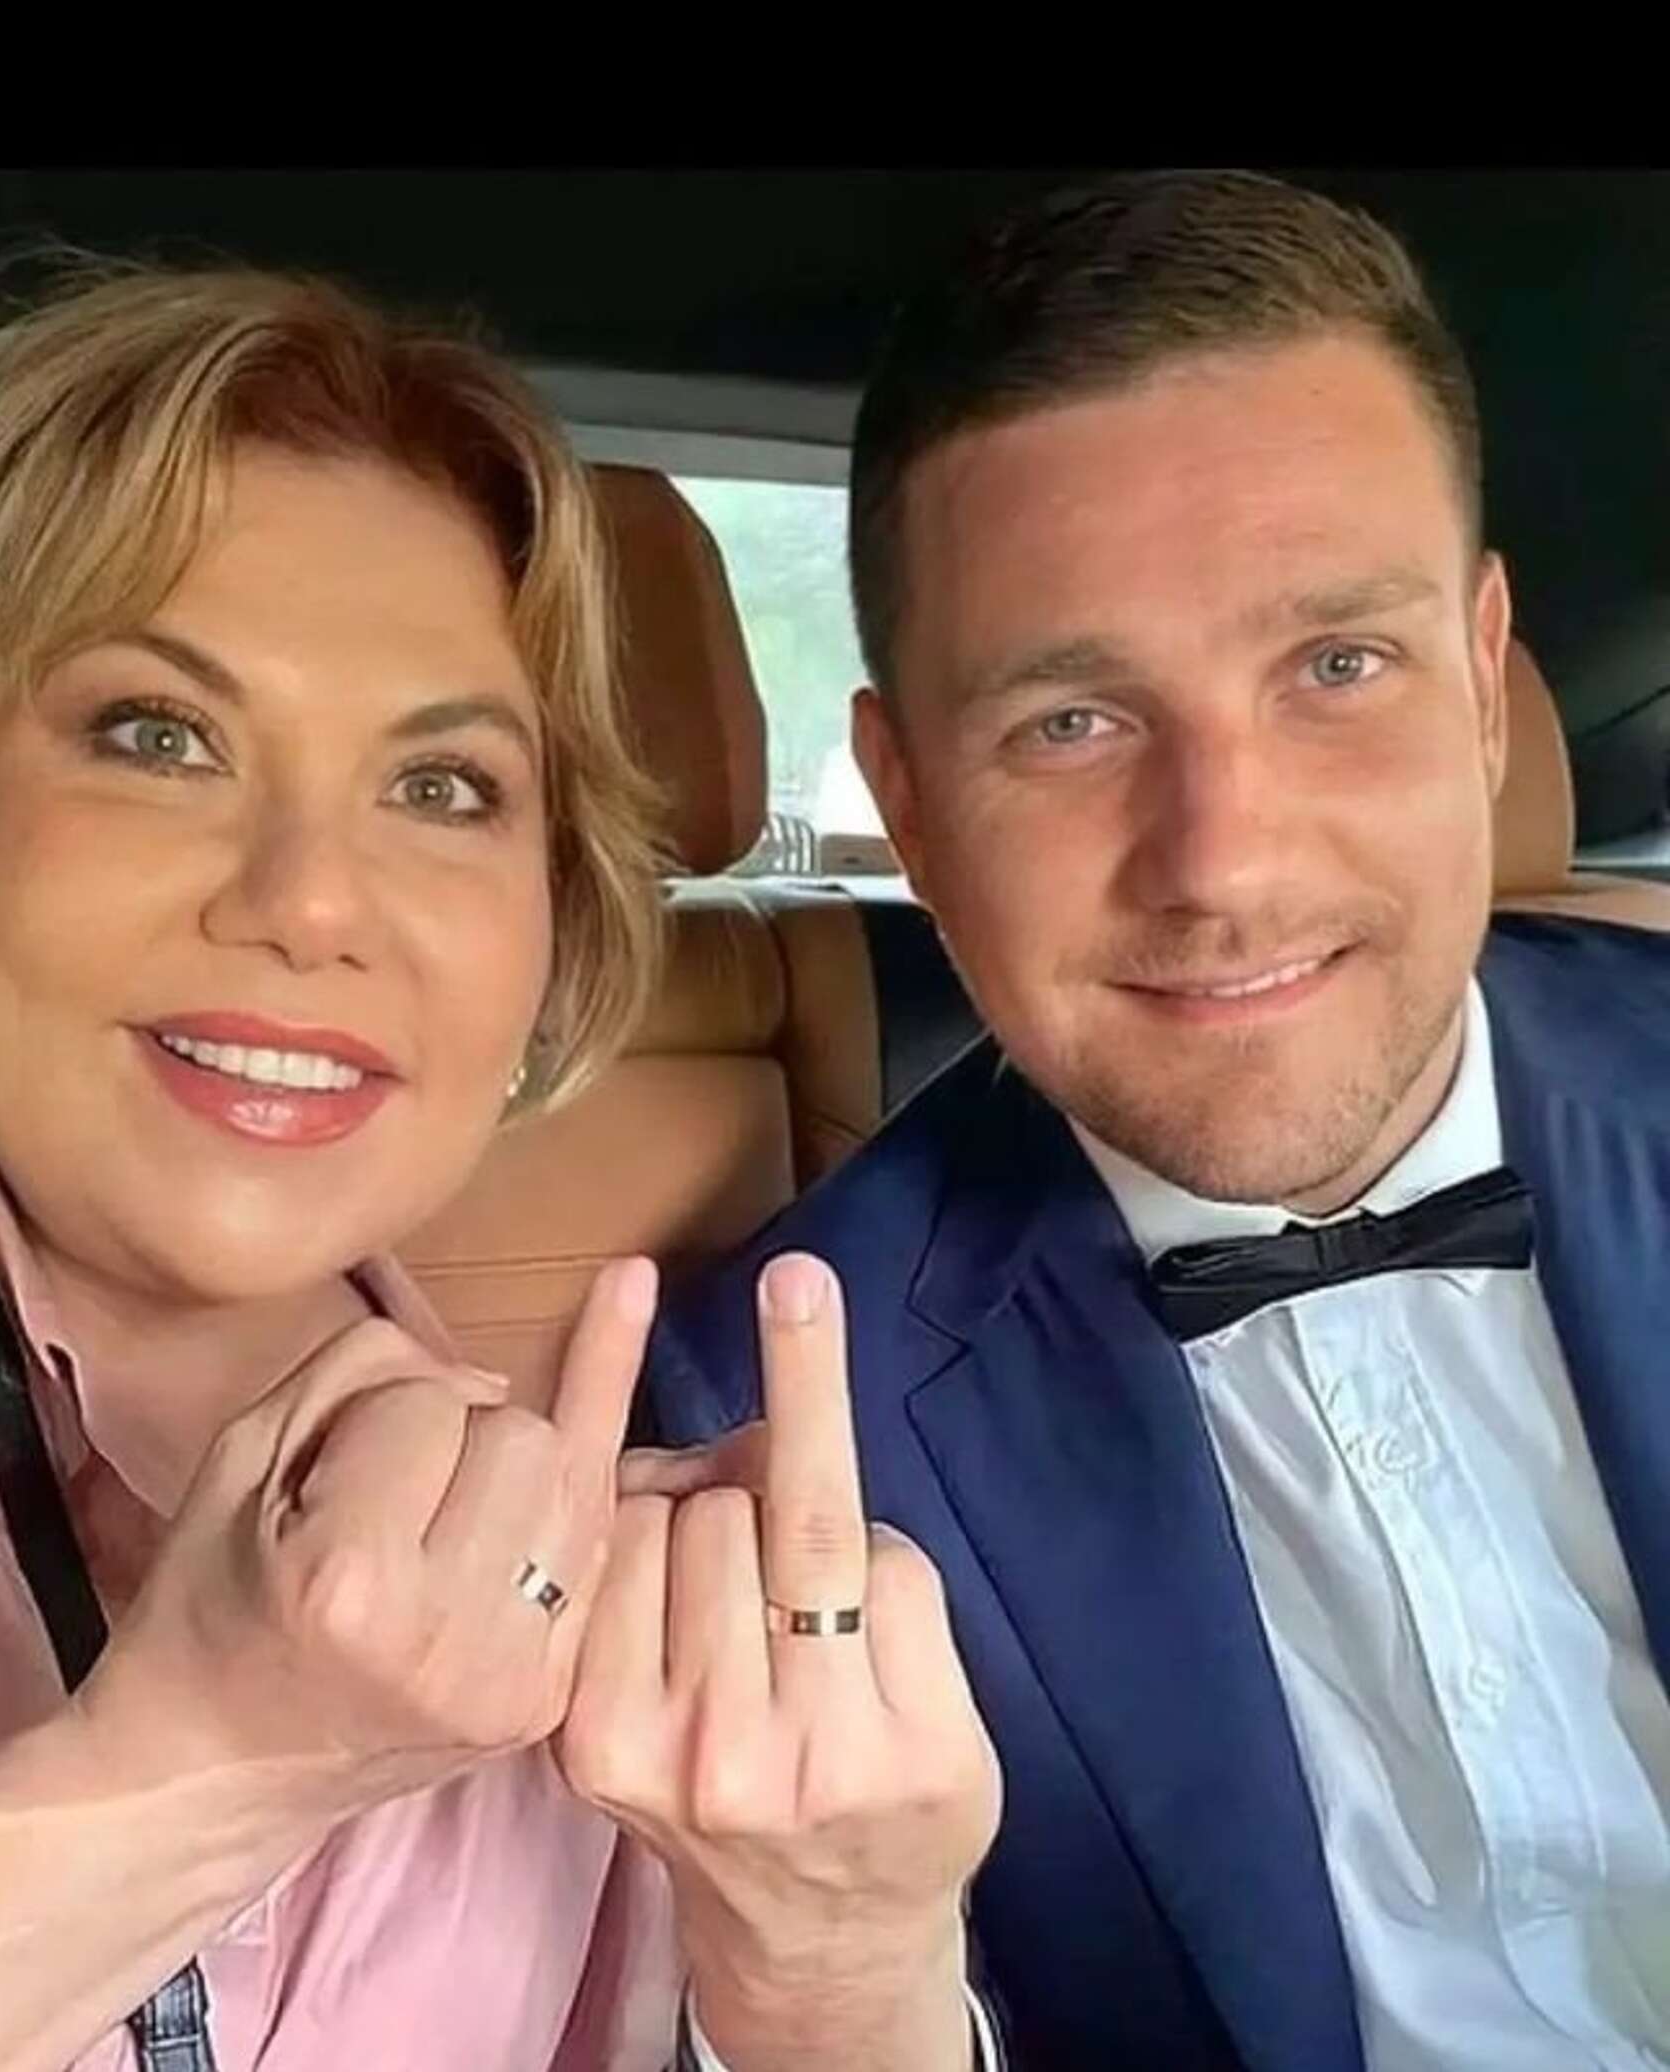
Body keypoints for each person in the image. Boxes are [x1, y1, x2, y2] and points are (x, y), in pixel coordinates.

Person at [0, 266, 998, 2071]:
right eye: (157, 738)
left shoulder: (585, 1564)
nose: (314, 902)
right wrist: (210, 1764)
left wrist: (842, 1976)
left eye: (443, 787)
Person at [644, 170, 1670, 2072]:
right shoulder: (770, 1419)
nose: (1225, 863)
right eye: (1071, 723)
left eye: (1336, 668)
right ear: (907, 801)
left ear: (1483, 681)